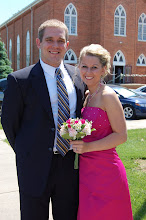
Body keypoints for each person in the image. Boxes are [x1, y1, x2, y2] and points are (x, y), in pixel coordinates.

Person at [1, 19, 84, 220]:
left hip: (68, 165)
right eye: (49, 40)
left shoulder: (78, 76)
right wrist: (27, 150)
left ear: (67, 45)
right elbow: (9, 124)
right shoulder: (19, 80)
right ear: (38, 43)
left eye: (60, 40)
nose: (55, 46)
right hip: (33, 167)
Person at [71, 44, 133, 220]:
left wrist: (87, 148)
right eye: (84, 66)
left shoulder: (108, 96)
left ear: (104, 69)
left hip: (106, 172)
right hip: (86, 171)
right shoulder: (86, 95)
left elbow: (121, 135)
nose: (88, 71)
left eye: (94, 67)